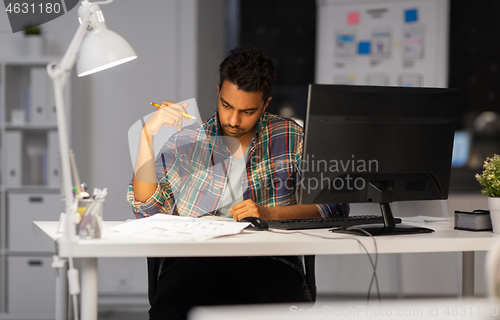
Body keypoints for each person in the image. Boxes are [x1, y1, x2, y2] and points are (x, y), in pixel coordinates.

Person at [128, 46, 349, 320]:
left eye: (247, 111)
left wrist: (269, 214)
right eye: (226, 105)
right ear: (218, 91)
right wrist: (146, 136)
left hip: (269, 259)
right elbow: (147, 211)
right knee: (169, 311)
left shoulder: (290, 136)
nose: (233, 120)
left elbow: (334, 206)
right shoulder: (188, 140)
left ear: (266, 104)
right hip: (195, 260)